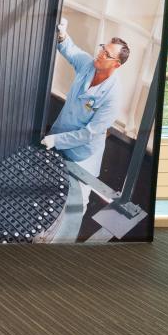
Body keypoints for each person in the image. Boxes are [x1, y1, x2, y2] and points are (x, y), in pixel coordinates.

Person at [42, 17, 128, 212]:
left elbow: (89, 133)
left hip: (83, 153)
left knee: (78, 200)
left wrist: (55, 140)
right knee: (53, 183)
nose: (100, 54)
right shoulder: (89, 65)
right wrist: (63, 35)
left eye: (107, 54)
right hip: (60, 134)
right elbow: (72, 51)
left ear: (116, 65)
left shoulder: (113, 97)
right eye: (102, 48)